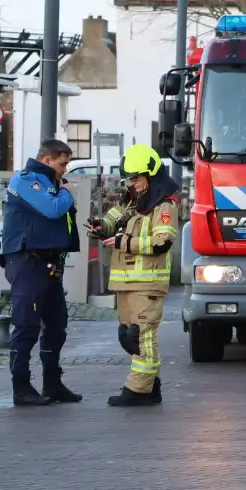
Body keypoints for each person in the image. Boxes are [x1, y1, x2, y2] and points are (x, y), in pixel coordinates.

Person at [87, 144, 180, 407]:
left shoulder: (164, 205)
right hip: (126, 282)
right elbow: (112, 220)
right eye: (131, 179)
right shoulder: (131, 201)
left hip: (147, 283)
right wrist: (99, 225)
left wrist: (123, 242)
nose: (134, 184)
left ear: (151, 175)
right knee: (129, 336)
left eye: (137, 178)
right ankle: (151, 386)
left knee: (141, 336)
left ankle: (139, 390)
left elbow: (162, 242)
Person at [0, 139, 81, 407]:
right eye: (62, 163)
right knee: (26, 326)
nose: (64, 169)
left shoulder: (51, 182)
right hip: (28, 261)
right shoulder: (26, 180)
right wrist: (68, 192)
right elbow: (53, 208)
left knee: (57, 325)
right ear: (47, 160)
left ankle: (52, 383)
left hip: (48, 263)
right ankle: (20, 386)